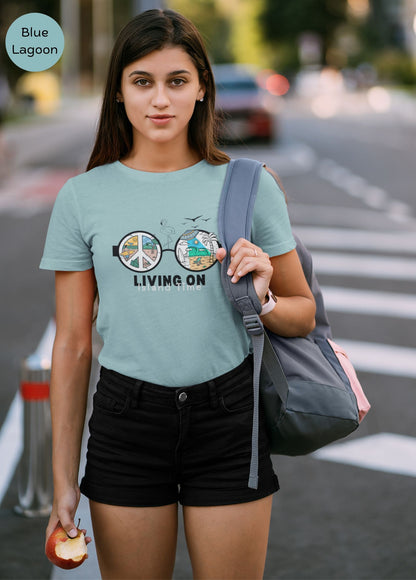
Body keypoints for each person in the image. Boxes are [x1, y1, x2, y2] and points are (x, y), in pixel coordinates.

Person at [42, 9, 315, 580]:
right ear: (118, 93)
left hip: (229, 417)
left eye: (177, 81)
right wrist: (62, 481)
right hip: (127, 420)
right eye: (142, 81)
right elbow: (70, 347)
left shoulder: (249, 185)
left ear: (201, 90)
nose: (159, 100)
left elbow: (303, 315)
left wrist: (264, 297)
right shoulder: (82, 197)